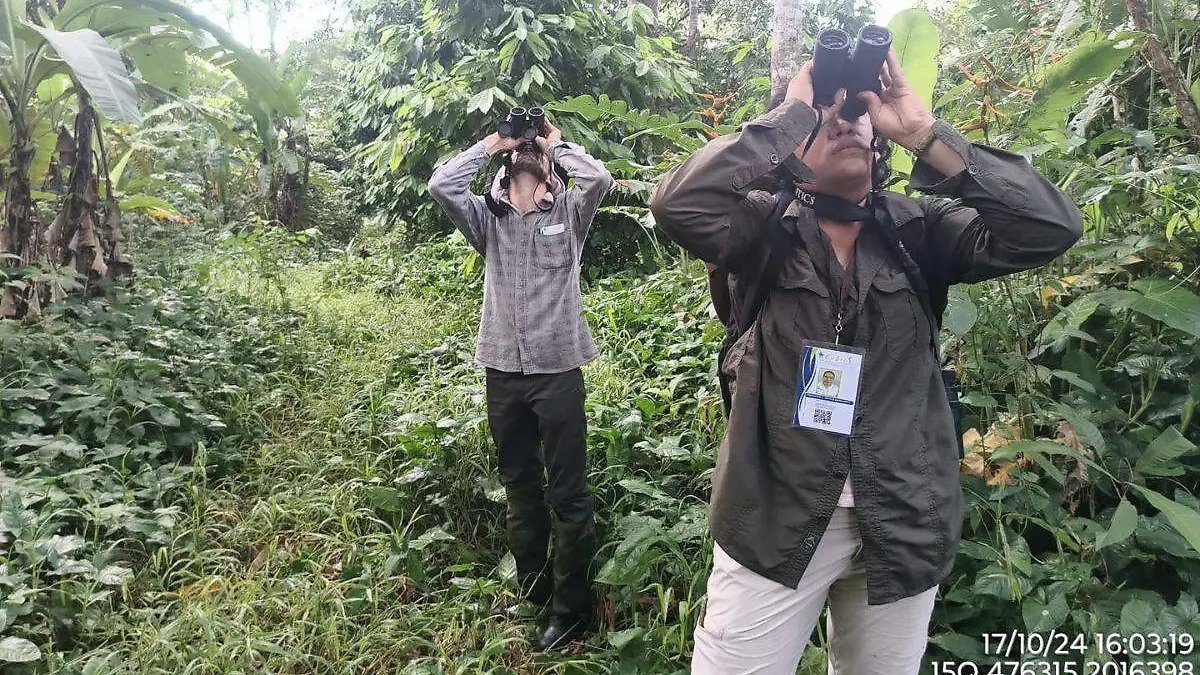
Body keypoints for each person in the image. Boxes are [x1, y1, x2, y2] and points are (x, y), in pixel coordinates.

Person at [650, 49, 1082, 674]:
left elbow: (1049, 226)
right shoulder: (762, 228)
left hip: (903, 514)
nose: (843, 120)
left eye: (855, 113)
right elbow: (676, 205)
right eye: (826, 117)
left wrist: (926, 136)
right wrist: (794, 114)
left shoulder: (919, 229)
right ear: (794, 151)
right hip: (776, 511)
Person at [427, 117, 614, 650]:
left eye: (537, 153)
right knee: (519, 485)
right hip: (503, 370)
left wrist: (554, 144)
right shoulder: (487, 220)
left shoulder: (570, 214)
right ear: (508, 166)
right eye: (521, 152)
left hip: (558, 371)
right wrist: (495, 142)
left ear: (551, 170)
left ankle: (570, 611)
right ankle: (533, 592)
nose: (528, 154)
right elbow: (442, 185)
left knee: (569, 493)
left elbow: (597, 179)